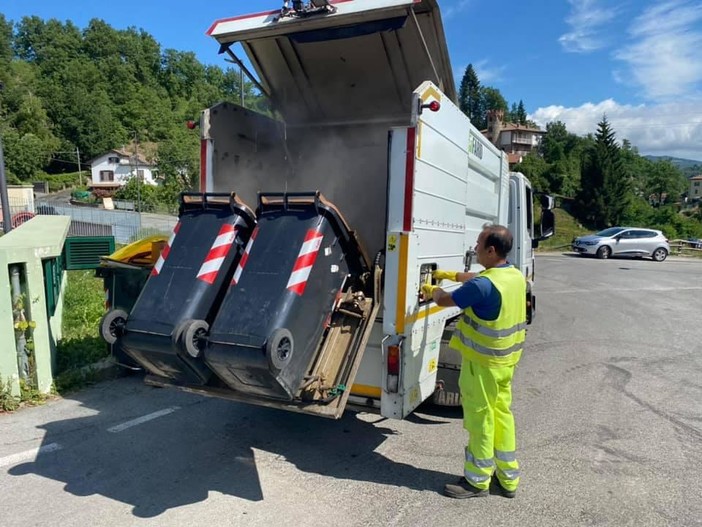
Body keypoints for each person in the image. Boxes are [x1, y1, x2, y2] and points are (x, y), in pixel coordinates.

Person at [421, 224, 526, 499]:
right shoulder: (513, 275)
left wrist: (430, 288)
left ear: (491, 250)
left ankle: (477, 482)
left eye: (479, 244)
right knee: (502, 416)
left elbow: (446, 299)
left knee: (481, 420)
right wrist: (451, 274)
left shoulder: (484, 285)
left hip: (483, 365)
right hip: (505, 364)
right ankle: (507, 479)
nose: (475, 248)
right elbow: (478, 279)